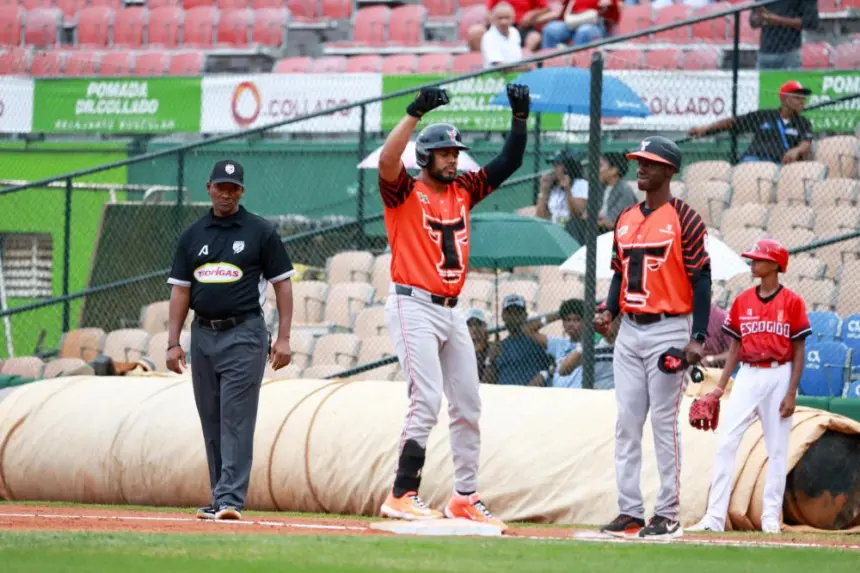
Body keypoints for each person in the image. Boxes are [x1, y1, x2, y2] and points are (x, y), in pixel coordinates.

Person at [376, 84, 530, 531]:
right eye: (443, 151)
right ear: (425, 156)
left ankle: (464, 496)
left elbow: (510, 163)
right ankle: (402, 492)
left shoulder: (463, 189)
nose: (452, 157)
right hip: (412, 303)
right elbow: (388, 162)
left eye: (455, 151)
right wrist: (413, 113)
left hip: (450, 309)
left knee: (467, 402)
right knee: (425, 398)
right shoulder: (403, 191)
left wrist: (519, 120)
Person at [594, 136, 712, 540]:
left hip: (668, 328)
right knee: (626, 423)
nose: (640, 168)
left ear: (668, 170)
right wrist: (608, 309)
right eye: (639, 162)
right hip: (629, 329)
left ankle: (668, 514)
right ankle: (629, 511)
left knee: (663, 423)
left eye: (649, 163)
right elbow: (617, 272)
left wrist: (697, 337)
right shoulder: (625, 217)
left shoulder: (686, 218)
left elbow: (701, 279)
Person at [166, 159, 295, 521]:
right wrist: (173, 342)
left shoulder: (260, 232)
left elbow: (282, 284)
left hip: (245, 334)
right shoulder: (192, 236)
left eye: (233, 187)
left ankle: (230, 499)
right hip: (203, 334)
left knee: (236, 417)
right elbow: (180, 291)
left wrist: (283, 338)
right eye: (220, 186)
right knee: (211, 418)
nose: (226, 193)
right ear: (208, 187)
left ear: (242, 191)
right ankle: (220, 495)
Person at [688, 239, 810, 534]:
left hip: (779, 373)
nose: (752, 263)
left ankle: (770, 517)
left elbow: (798, 350)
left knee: (777, 449)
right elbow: (735, 348)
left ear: (775, 265)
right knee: (727, 443)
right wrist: (720, 386)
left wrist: (792, 391)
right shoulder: (743, 300)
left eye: (758, 259)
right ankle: (714, 518)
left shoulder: (792, 302)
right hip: (748, 374)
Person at [687, 81, 814, 165]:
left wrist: (796, 150)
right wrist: (705, 129)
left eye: (803, 98)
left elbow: (805, 144)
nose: (802, 101)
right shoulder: (764, 115)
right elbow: (731, 123)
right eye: (797, 97)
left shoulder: (803, 123)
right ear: (785, 99)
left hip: (777, 165)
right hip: (751, 160)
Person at [484, 294, 555, 386]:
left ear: (525, 316)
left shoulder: (537, 341)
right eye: (509, 313)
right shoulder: (498, 347)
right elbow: (487, 384)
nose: (513, 317)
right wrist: (490, 360)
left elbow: (557, 363)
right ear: (503, 316)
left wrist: (543, 376)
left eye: (517, 313)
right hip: (504, 397)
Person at [522, 298, 585, 388]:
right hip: (557, 396)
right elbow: (527, 329)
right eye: (568, 320)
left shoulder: (592, 345)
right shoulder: (558, 344)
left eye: (576, 320)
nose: (571, 324)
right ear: (563, 323)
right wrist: (558, 315)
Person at [557, 301, 620, 389]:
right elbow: (563, 370)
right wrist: (584, 344)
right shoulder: (593, 344)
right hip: (594, 396)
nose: (604, 320)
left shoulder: (627, 345)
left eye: (610, 316)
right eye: (601, 315)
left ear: (620, 319)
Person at [749, 0, 819, 70]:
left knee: (790, 79)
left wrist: (776, 20)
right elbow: (753, 22)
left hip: (790, 52)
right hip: (765, 53)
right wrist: (761, 18)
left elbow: (811, 22)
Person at [540, 0, 621, 49]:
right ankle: (548, 65)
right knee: (550, 29)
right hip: (573, 23)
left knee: (583, 31)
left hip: (594, 25)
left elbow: (614, 17)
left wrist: (610, 3)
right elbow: (563, 14)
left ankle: (578, 67)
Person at [536, 150, 588, 225]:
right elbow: (540, 217)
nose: (554, 169)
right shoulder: (553, 187)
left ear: (567, 167)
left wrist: (567, 189)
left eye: (557, 165)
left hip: (572, 230)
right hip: (555, 229)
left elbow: (577, 213)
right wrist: (543, 191)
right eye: (553, 165)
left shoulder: (581, 184)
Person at [481, 3, 525, 70]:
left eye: (507, 17)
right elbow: (499, 67)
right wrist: (522, 68)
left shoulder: (515, 32)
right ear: (492, 19)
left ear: (513, 19)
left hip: (515, 74)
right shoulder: (488, 37)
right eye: (500, 18)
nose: (503, 22)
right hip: (495, 77)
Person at [465, 308, 496, 384]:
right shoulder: (462, 352)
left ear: (486, 328)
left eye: (478, 324)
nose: (474, 328)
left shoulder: (492, 350)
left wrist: (489, 359)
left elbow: (488, 382)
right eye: (469, 324)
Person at [702, 303, 733, 369]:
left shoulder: (723, 318)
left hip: (713, 372)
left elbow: (734, 353)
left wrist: (710, 359)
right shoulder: (683, 314)